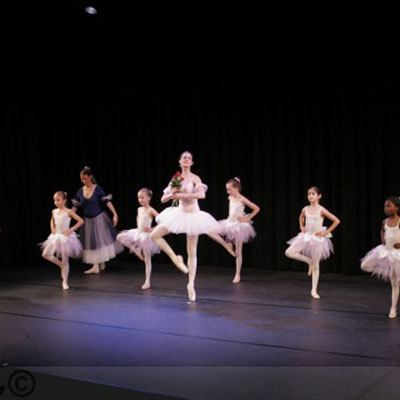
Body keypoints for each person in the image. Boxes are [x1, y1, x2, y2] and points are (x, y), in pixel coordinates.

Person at [151, 151, 219, 302]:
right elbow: (162, 199)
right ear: (180, 162)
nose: (187, 159)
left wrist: (182, 195)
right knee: (154, 235)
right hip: (179, 214)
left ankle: (191, 284)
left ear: (192, 162)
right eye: (184, 158)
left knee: (192, 251)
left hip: (193, 215)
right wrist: (171, 195)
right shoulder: (176, 178)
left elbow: (201, 195)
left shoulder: (195, 178)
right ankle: (175, 258)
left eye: (189, 158)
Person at [285, 186, 340, 299]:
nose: (310, 196)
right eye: (309, 194)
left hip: (317, 239)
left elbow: (336, 220)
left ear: (319, 196)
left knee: (316, 265)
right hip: (306, 236)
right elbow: (301, 218)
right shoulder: (305, 209)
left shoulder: (321, 210)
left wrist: (326, 232)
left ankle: (314, 290)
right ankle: (309, 262)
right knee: (289, 252)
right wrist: (301, 226)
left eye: (313, 194)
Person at [72, 166, 123, 274]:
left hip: (99, 219)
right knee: (92, 242)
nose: (84, 181)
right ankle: (100, 263)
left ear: (90, 177)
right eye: (82, 179)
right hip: (87, 220)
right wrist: (67, 215)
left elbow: (107, 202)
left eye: (85, 179)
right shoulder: (80, 191)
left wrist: (115, 214)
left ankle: (96, 266)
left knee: (98, 241)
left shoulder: (98, 189)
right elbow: (75, 207)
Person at [208, 177, 259, 283]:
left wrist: (247, 219)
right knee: (210, 232)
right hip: (228, 222)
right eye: (227, 189)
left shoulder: (242, 199)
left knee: (238, 251)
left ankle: (237, 274)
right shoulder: (230, 197)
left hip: (238, 226)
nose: (228, 191)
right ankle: (227, 245)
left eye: (229, 189)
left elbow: (256, 208)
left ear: (236, 188)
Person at [361, 196, 400, 318]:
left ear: (397, 208)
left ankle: (393, 308)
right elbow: (383, 230)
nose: (386, 208)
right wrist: (383, 238)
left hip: (397, 254)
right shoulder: (385, 221)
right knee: (364, 266)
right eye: (385, 206)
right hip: (386, 251)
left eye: (389, 206)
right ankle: (385, 269)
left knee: (395, 283)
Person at [117, 188, 160, 289]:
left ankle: (147, 281)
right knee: (119, 237)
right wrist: (138, 227)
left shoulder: (151, 210)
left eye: (142, 197)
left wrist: (152, 229)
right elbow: (138, 217)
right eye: (139, 198)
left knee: (147, 260)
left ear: (149, 198)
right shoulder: (139, 209)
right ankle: (136, 250)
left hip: (146, 236)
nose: (140, 200)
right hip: (138, 232)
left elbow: (162, 221)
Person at [40, 191, 84, 289]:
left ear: (64, 200)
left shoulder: (68, 211)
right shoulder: (54, 211)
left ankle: (65, 282)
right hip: (56, 236)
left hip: (66, 238)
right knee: (45, 254)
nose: (55, 202)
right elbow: (52, 220)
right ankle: (60, 265)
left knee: (65, 261)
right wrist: (52, 228)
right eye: (54, 200)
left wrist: (70, 230)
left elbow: (81, 221)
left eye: (58, 200)